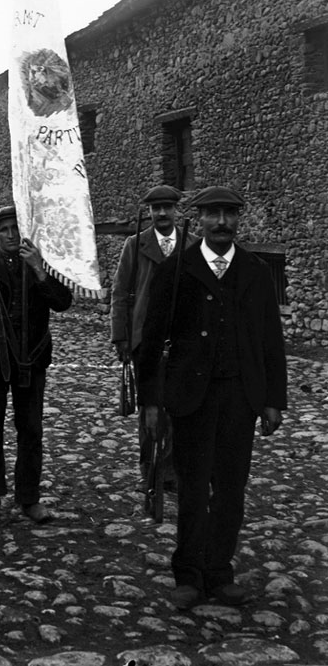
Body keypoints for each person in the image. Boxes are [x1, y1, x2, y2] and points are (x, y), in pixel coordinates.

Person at [138, 186, 287, 610]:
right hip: (190, 398)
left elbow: (270, 341)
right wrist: (152, 400)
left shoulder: (255, 271)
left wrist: (273, 399)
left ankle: (220, 571)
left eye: (229, 214)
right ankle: (188, 573)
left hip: (240, 397)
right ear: (199, 219)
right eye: (213, 215)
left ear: (239, 219)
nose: (221, 222)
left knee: (230, 489)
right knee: (191, 485)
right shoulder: (176, 271)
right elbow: (152, 339)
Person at [0, 205, 72, 525]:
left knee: (31, 429)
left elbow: (63, 302)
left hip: (32, 362)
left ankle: (29, 498)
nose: (10, 235)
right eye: (4, 230)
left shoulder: (40, 265)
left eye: (15, 229)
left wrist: (38, 269)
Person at [110, 186, 198, 489]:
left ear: (176, 210)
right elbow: (121, 292)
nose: (161, 213)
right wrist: (121, 336)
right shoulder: (135, 245)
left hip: (183, 338)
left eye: (167, 207)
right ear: (148, 211)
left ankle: (173, 468)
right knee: (150, 406)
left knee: (181, 406)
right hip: (145, 339)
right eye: (155, 208)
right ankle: (149, 468)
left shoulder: (192, 245)